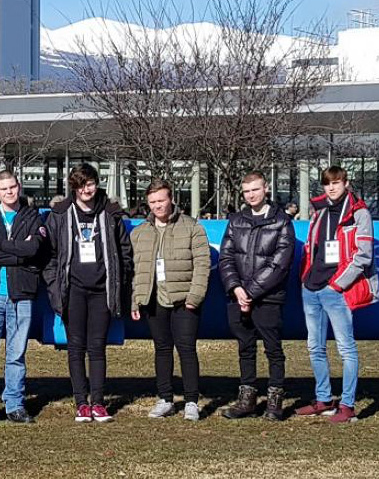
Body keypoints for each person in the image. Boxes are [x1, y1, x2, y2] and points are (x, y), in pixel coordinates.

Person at [43, 164, 133, 423]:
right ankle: (81, 402)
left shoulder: (110, 212)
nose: (86, 189)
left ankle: (98, 402)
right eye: (81, 185)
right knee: (75, 347)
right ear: (74, 187)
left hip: (101, 290)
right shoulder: (60, 214)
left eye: (90, 183)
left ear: (96, 183)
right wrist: (53, 284)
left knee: (97, 347)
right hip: (72, 289)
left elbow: (124, 252)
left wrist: (119, 282)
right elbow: (48, 254)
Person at [295, 166, 378, 424]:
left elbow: (363, 255)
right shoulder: (318, 212)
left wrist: (338, 285)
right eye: (327, 184)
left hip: (336, 290)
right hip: (312, 288)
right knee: (315, 347)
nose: (331, 188)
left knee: (346, 348)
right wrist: (306, 279)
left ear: (346, 183)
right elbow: (312, 248)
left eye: (336, 183)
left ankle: (347, 405)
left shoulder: (359, 212)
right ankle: (324, 399)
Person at [130, 179, 210, 421]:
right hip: (154, 300)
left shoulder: (192, 227)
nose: (157, 206)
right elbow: (135, 270)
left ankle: (191, 402)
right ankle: (165, 398)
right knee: (162, 350)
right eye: (153, 202)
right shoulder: (139, 233)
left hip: (184, 300)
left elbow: (202, 265)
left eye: (161, 200)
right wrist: (136, 300)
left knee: (186, 349)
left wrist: (194, 296)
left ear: (171, 199)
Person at [218, 171, 295, 421]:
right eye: (247, 191)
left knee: (273, 349)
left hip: (268, 298)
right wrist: (236, 288)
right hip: (238, 297)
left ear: (266, 189)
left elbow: (279, 264)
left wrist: (251, 292)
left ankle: (275, 400)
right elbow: (226, 257)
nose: (251, 195)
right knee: (245, 348)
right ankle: (247, 398)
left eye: (255, 190)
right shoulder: (236, 220)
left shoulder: (282, 222)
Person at [0, 171, 45, 425]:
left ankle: (14, 404)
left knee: (16, 353)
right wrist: (17, 252)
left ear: (19, 187)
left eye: (12, 187)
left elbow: (33, 249)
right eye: (3, 189)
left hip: (21, 293)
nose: (9, 192)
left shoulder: (33, 216)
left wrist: (0, 246)